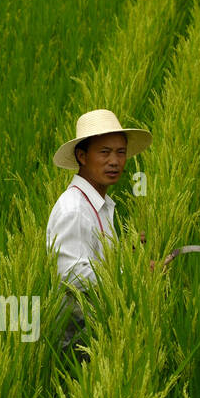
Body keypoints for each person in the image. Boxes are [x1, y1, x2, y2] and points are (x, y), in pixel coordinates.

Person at [46, 110, 152, 364]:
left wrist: (125, 253)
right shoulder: (74, 209)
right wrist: (131, 276)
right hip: (76, 346)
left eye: (120, 152)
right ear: (82, 156)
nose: (114, 161)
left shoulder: (97, 204)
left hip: (93, 334)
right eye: (104, 152)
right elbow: (72, 273)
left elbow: (91, 257)